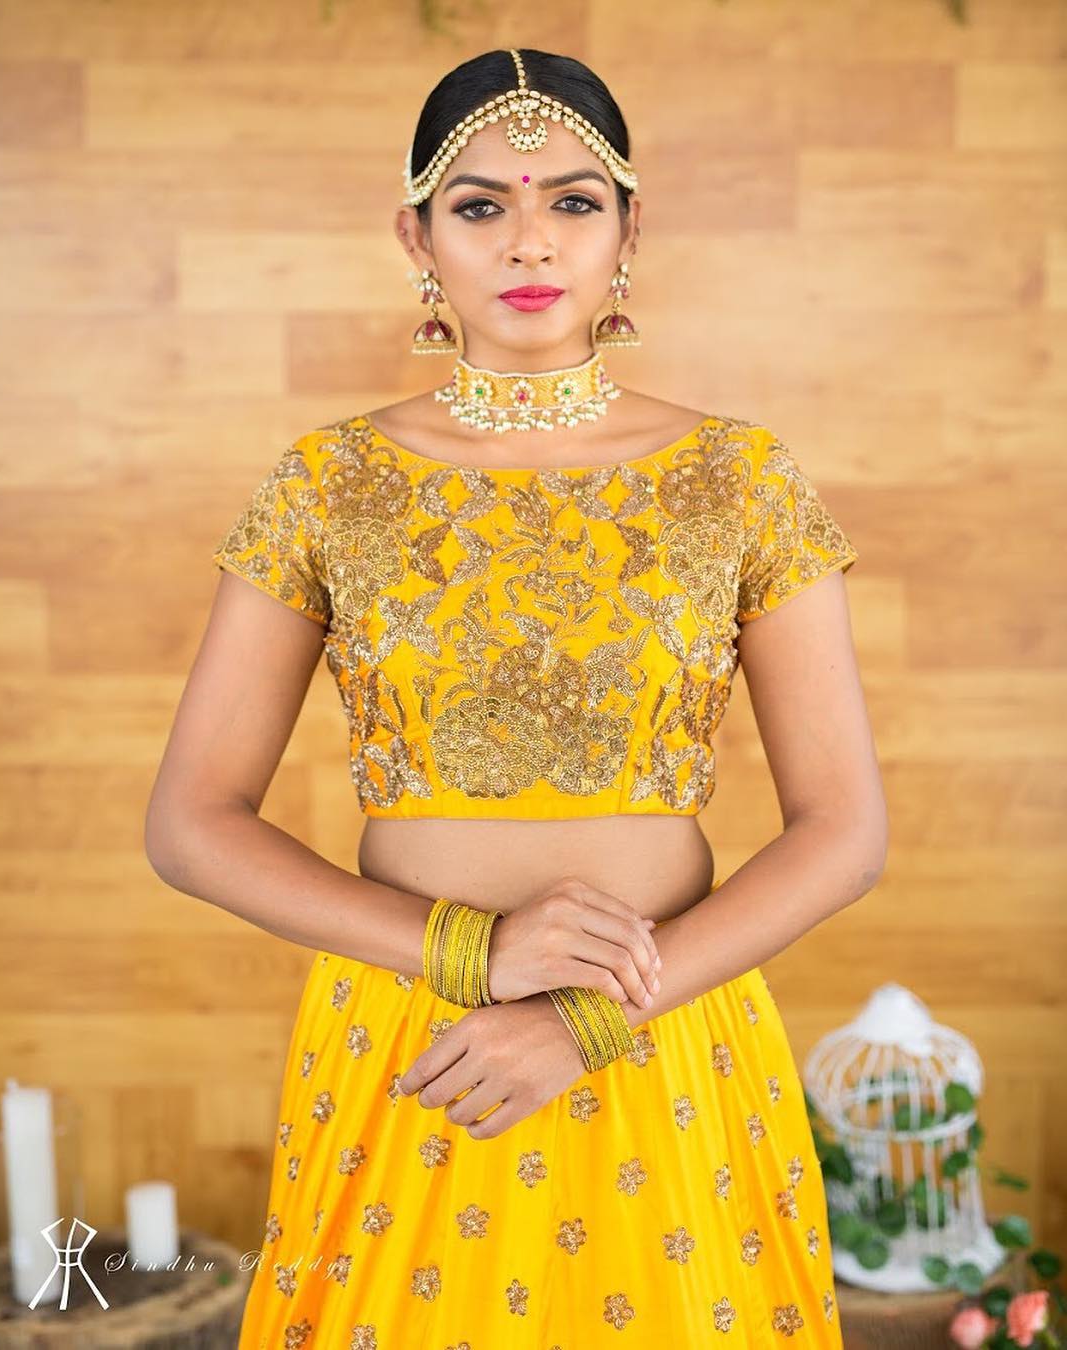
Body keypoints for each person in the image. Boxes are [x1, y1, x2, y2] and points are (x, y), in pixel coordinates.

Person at [145, 46, 887, 1350]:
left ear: (630, 228)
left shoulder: (738, 478)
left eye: (575, 202)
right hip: (420, 1044)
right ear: (416, 235)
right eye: (480, 203)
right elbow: (193, 821)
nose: (529, 239)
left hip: (666, 1029)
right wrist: (474, 958)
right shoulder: (334, 482)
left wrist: (589, 1018)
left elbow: (844, 830)